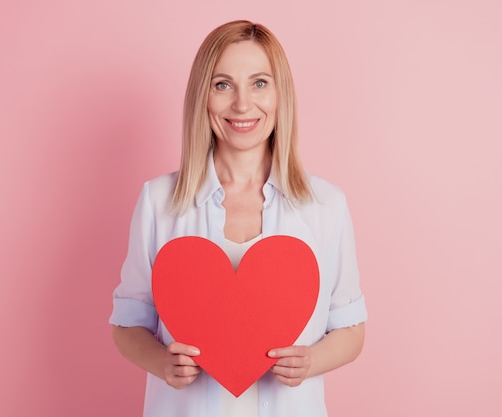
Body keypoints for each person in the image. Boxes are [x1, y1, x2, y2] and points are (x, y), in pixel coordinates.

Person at [110, 20, 367, 417]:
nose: (243, 105)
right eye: (223, 85)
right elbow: (128, 325)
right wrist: (162, 363)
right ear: (203, 97)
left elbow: (351, 330)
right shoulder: (158, 202)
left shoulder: (325, 206)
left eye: (260, 83)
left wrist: (310, 362)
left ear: (281, 95)